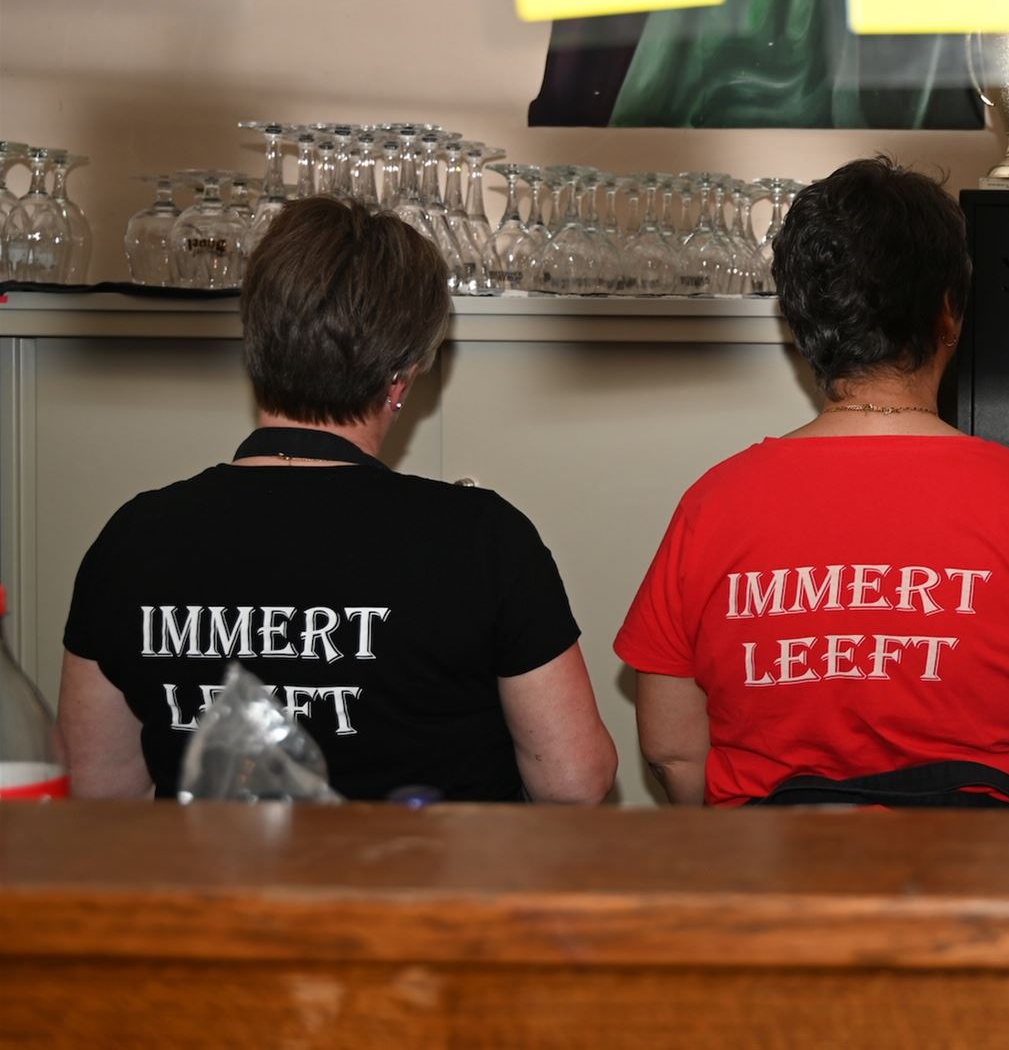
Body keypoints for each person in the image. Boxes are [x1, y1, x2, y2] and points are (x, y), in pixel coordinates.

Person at [56, 197, 617, 803]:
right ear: (399, 380)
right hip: (427, 866)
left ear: (257, 345)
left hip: (216, 866)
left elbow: (98, 792)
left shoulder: (135, 538)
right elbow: (575, 783)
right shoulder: (483, 540)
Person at [617, 157, 1009, 807]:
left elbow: (671, 749)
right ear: (948, 314)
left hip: (773, 858)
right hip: (986, 857)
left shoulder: (713, 503)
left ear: (800, 320)